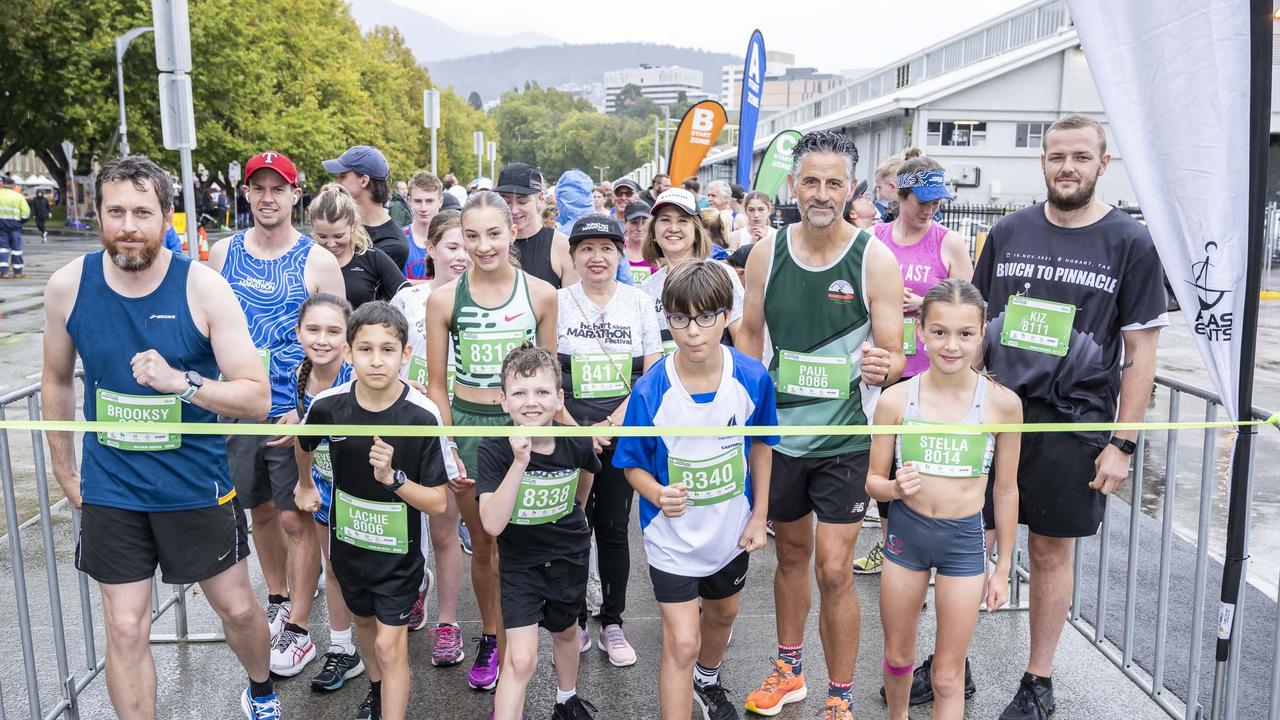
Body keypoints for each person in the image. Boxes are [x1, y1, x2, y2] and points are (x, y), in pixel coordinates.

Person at [40, 155, 282, 718]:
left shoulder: (203, 288)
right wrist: (64, 468)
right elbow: (54, 381)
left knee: (239, 610)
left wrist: (184, 383)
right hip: (112, 489)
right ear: (95, 213)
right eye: (116, 211)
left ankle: (263, 689)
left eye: (143, 212)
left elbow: (257, 396)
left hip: (194, 487)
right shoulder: (67, 287)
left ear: (166, 217)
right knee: (126, 627)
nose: (128, 225)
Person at [971, 115, 1167, 720]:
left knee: (1051, 551)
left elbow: (1141, 355)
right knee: (964, 541)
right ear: (1043, 162)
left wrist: (1123, 443)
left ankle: (1038, 680)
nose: (1068, 167)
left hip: (1072, 422)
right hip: (997, 414)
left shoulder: (1130, 243)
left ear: (1103, 163)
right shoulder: (1007, 232)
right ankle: (954, 660)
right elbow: (974, 327)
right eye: (1057, 156)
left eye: (1081, 157)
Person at [737, 130, 906, 720]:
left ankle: (840, 695)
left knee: (834, 568)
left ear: (851, 188)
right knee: (789, 556)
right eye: (811, 180)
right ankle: (790, 669)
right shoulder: (767, 251)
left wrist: (886, 366)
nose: (822, 192)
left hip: (845, 438)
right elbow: (748, 334)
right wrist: (745, 403)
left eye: (835, 182)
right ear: (792, 185)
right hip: (783, 437)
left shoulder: (873, 258)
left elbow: (894, 354)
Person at [614, 260, 777, 720]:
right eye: (681, 318)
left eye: (706, 317)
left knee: (722, 617)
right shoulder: (651, 390)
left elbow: (763, 445)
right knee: (682, 641)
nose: (693, 331)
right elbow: (631, 466)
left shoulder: (750, 378)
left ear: (726, 315)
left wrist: (760, 514)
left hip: (730, 531)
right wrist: (656, 493)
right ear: (667, 319)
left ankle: (708, 677)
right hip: (672, 537)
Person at [209, 150, 346, 679]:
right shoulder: (223, 254)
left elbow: (335, 341)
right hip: (240, 408)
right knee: (259, 511)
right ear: (246, 193)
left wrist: (316, 413)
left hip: (295, 414)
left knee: (298, 517)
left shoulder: (317, 261)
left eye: (278, 188)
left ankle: (299, 628)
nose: (268, 198)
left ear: (295, 195)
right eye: (258, 188)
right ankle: (277, 595)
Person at [866, 279, 1022, 720]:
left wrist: (1004, 566)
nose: (952, 346)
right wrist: (894, 489)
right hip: (907, 537)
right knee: (898, 660)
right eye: (939, 332)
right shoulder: (895, 400)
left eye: (965, 334)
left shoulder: (1003, 405)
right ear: (921, 332)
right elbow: (873, 482)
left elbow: (1006, 490)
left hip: (964, 545)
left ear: (983, 334)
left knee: (948, 677)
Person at [424, 191, 559, 691]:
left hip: (523, 427)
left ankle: (529, 638)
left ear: (513, 232)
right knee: (484, 544)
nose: (483, 246)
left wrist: (558, 432)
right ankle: (491, 636)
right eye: (472, 235)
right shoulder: (444, 298)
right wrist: (450, 443)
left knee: (523, 540)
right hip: (469, 426)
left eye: (493, 233)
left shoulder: (542, 294)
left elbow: (548, 379)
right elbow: (437, 384)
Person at [295, 301, 455, 720]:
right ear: (348, 353)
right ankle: (379, 691)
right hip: (349, 548)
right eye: (365, 349)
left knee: (390, 644)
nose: (376, 360)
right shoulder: (328, 405)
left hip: (400, 558)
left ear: (406, 355)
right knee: (365, 628)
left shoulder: (423, 415)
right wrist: (304, 482)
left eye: (388, 349)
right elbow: (303, 442)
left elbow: (439, 502)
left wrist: (394, 480)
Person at [854, 156, 974, 577]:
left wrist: (923, 304)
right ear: (899, 195)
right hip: (886, 373)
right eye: (921, 200)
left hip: (933, 374)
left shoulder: (949, 242)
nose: (929, 209)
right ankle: (893, 549)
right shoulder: (873, 238)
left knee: (932, 467)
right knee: (887, 469)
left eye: (937, 201)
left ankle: (938, 557)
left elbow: (972, 306)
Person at [556, 214, 662, 666]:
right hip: (569, 431)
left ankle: (613, 622)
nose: (597, 258)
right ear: (574, 256)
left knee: (614, 529)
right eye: (586, 249)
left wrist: (613, 423)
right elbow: (543, 368)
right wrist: (574, 427)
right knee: (572, 525)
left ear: (620, 254)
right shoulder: (557, 301)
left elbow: (653, 368)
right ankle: (575, 619)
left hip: (622, 433)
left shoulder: (637, 301)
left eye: (606, 249)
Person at [477, 346, 603, 720]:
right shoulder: (494, 449)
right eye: (519, 393)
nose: (531, 402)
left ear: (560, 398)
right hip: (520, 564)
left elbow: (587, 475)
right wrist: (520, 461)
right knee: (521, 659)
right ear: (503, 402)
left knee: (566, 633)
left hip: (568, 556)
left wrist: (575, 512)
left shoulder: (575, 440)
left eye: (542, 392)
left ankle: (566, 700)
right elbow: (492, 524)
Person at [272, 293, 365, 694]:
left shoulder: (359, 378)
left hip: (366, 492)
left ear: (347, 341)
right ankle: (343, 649)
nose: (322, 339)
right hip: (327, 488)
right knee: (335, 567)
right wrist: (305, 481)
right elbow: (306, 440)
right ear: (298, 333)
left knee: (372, 572)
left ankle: (404, 607)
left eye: (333, 331)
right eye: (313, 329)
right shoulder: (300, 375)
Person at [390, 210, 472, 658]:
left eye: (467, 246)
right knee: (408, 524)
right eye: (452, 246)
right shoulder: (408, 298)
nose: (461, 256)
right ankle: (413, 586)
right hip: (412, 424)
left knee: (445, 528)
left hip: (459, 426)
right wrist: (405, 381)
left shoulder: (484, 300)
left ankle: (448, 623)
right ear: (431, 249)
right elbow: (388, 354)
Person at [639, 188, 746, 354]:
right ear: (653, 231)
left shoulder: (723, 274)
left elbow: (742, 338)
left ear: (696, 231)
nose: (673, 228)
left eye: (683, 221)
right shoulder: (646, 290)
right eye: (665, 220)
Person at [310, 184, 409, 308]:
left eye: (338, 236)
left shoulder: (372, 258)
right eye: (322, 237)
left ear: (352, 225)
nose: (331, 244)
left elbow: (407, 296)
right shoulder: (304, 260)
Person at [325, 145, 409, 269]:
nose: (336, 183)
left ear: (364, 181)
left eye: (342, 176)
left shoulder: (393, 243)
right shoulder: (340, 223)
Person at [496, 163, 577, 289]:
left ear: (539, 199)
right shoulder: (489, 245)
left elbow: (572, 304)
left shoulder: (562, 247)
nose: (514, 210)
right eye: (506, 202)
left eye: (522, 201)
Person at [403, 172, 444, 281]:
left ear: (440, 202)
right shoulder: (399, 238)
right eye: (418, 201)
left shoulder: (453, 239)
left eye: (430, 201)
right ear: (409, 201)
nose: (423, 208)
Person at [0, 175, 30, 278]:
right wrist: (21, 221)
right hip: (15, 226)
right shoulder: (18, 196)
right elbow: (26, 212)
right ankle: (18, 272)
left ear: (3, 184)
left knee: (3, 249)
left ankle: (4, 272)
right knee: (16, 249)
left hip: (1, 227)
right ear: (12, 185)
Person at [623, 201, 656, 284]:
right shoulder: (617, 249)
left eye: (644, 223)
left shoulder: (658, 251)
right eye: (634, 222)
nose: (639, 228)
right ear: (625, 223)